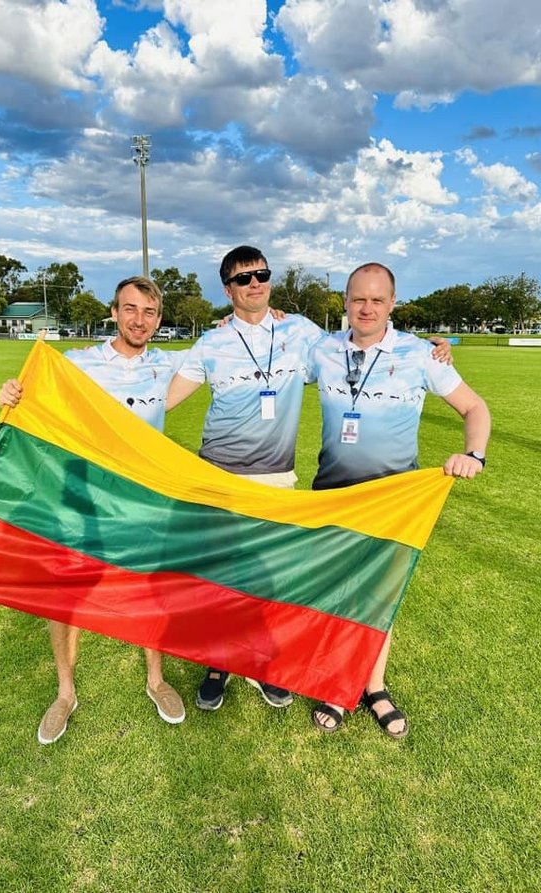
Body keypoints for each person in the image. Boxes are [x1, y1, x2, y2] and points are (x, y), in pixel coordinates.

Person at [165, 246, 452, 713]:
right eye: (243, 279)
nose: (254, 284)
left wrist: (430, 345)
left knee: (271, 579)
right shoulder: (210, 342)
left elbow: (366, 337)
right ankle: (218, 664)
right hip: (219, 478)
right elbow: (166, 400)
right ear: (227, 290)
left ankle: (261, 664)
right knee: (221, 579)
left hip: (278, 479)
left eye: (261, 275)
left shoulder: (301, 332)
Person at [0, 277, 187, 743]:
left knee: (151, 589)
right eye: (130, 309)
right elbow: (35, 395)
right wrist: (10, 393)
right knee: (65, 598)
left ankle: (156, 680)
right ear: (114, 313)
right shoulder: (79, 363)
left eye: (149, 312)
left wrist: (261, 317)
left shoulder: (168, 365)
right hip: (83, 502)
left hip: (144, 500)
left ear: (159, 319)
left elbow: (225, 353)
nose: (139, 320)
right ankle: (65, 693)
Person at [309, 262, 491, 738]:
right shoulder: (322, 349)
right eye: (357, 299)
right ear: (345, 302)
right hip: (332, 495)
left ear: (392, 303)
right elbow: (271, 351)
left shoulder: (420, 355)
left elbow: (475, 408)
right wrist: (233, 319)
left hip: (395, 498)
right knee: (338, 593)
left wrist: (474, 453)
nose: (366, 308)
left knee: (380, 597)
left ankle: (374, 685)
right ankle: (338, 682)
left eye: (376, 300)